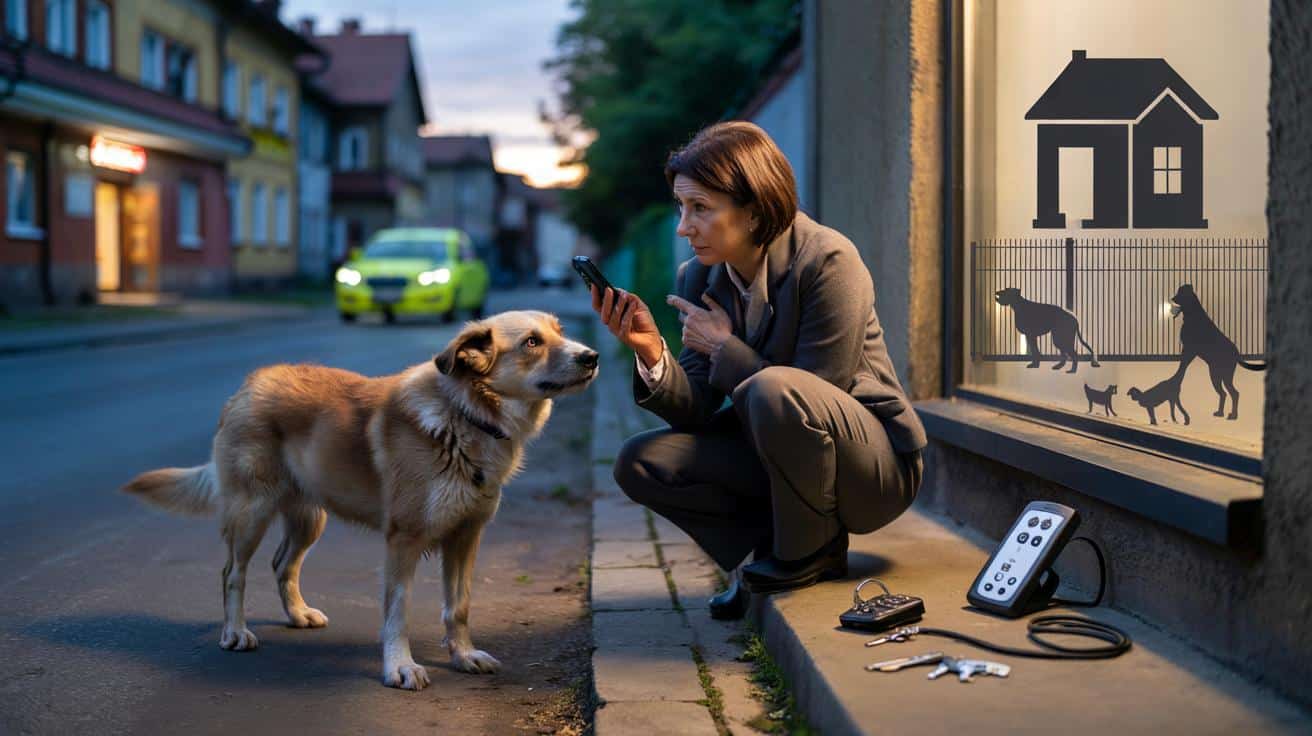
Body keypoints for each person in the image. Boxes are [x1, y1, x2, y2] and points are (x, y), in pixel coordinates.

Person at [590, 121, 926, 620]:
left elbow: (817, 388)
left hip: (870, 468)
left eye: (700, 208)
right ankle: (767, 550)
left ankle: (806, 550)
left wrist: (724, 347)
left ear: (752, 211)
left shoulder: (829, 260)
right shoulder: (699, 275)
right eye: (681, 207)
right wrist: (652, 351)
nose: (684, 227)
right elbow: (695, 409)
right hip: (781, 450)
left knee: (774, 389)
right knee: (641, 461)